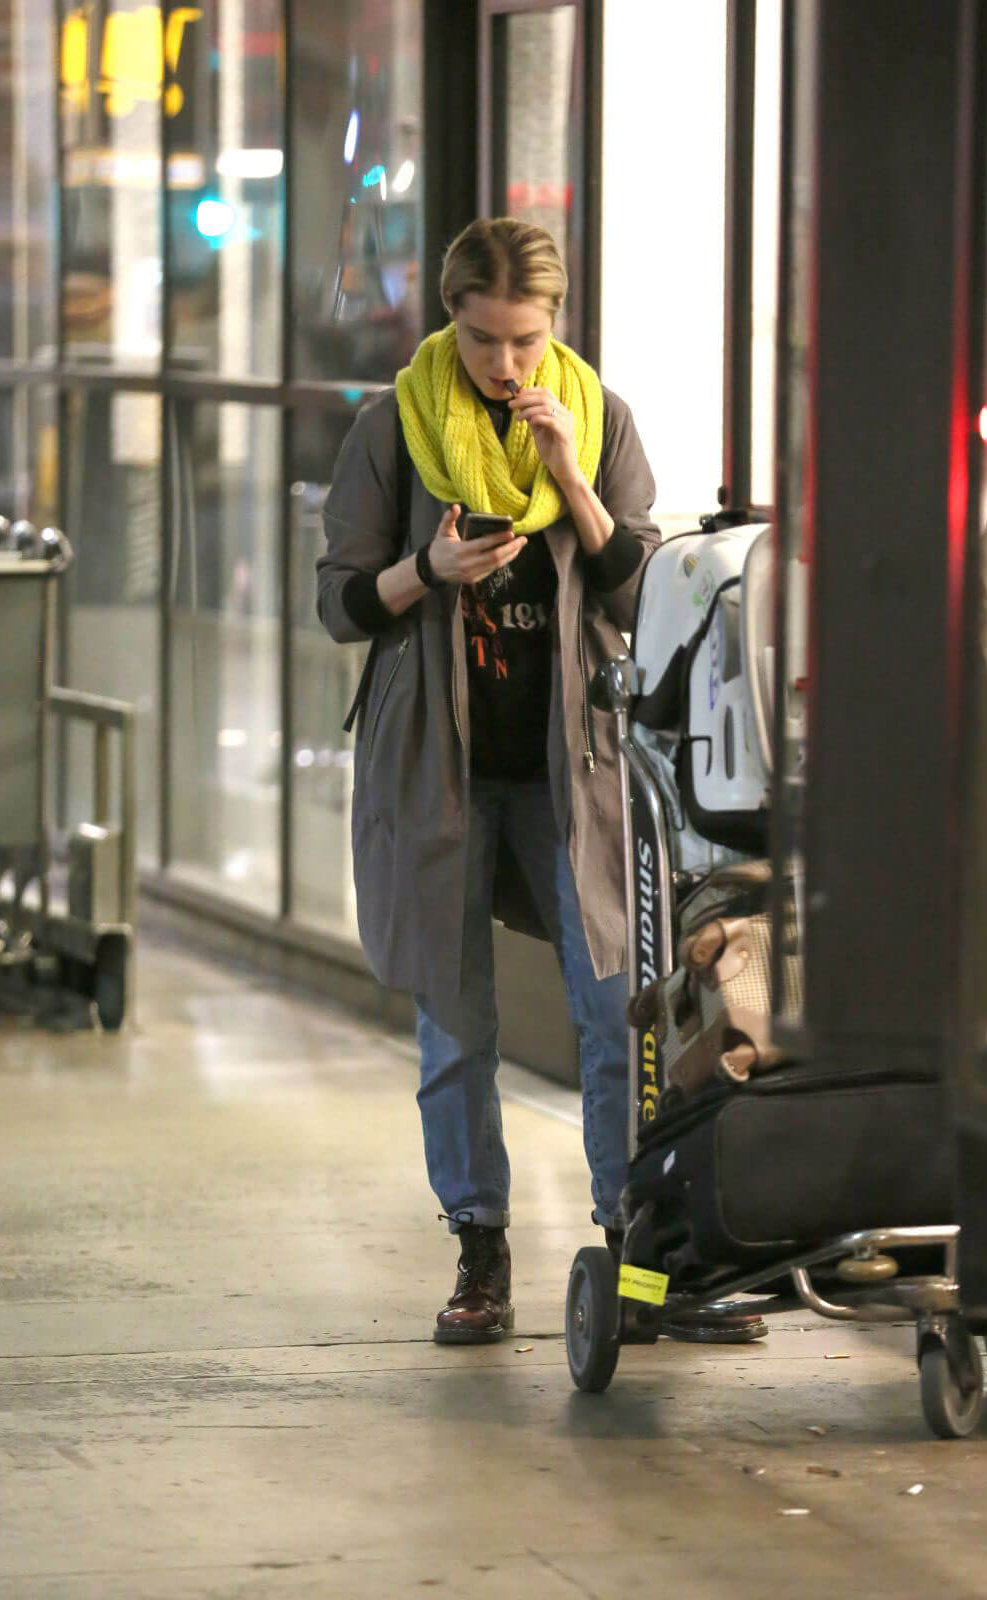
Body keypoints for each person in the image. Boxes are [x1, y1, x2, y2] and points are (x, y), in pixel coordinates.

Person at [317, 217, 660, 1342]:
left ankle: (636, 1246)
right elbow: (340, 602)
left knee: (614, 1005)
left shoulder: (596, 421)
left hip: (573, 772)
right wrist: (429, 571)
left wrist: (570, 472)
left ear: (553, 326)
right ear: (449, 320)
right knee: (457, 1023)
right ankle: (480, 1247)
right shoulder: (392, 427)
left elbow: (638, 597)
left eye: (523, 339)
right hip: (441, 770)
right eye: (480, 340)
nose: (503, 365)